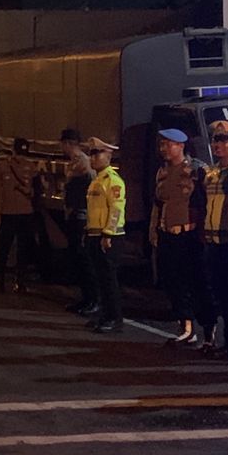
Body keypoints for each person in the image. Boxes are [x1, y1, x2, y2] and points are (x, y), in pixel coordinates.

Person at [150, 127, 212, 344]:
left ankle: (209, 332)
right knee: (173, 282)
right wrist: (154, 231)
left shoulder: (197, 170)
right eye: (162, 144)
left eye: (168, 144)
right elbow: (158, 204)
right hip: (167, 235)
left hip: (190, 236)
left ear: (181, 145)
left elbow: (206, 203)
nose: (163, 149)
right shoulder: (162, 171)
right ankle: (186, 328)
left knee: (198, 283)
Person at [201, 119, 228, 361]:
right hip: (213, 243)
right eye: (215, 139)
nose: (217, 144)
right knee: (222, 297)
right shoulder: (212, 172)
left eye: (223, 139)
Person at [84, 136, 126, 333]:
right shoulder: (97, 180)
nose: (92, 158)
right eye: (91, 154)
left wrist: (108, 234)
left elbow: (116, 209)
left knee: (109, 280)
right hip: (95, 235)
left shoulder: (112, 181)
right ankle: (105, 315)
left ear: (108, 156)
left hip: (108, 237)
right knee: (100, 279)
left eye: (97, 154)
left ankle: (114, 318)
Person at [0, 137, 38, 293]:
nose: (21, 157)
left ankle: (20, 282)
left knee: (23, 249)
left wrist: (30, 192)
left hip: (25, 212)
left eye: (24, 154)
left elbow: (37, 190)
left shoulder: (31, 167)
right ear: (13, 151)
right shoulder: (2, 167)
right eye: (19, 153)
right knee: (3, 249)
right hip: (8, 213)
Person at [60, 128, 97, 313]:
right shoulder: (75, 162)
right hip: (75, 215)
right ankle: (85, 298)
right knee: (78, 259)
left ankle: (93, 300)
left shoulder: (83, 163)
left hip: (82, 217)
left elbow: (86, 191)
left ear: (67, 143)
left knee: (85, 259)